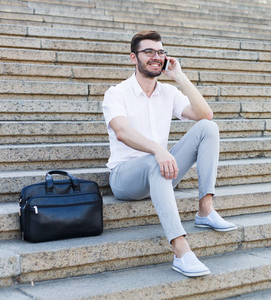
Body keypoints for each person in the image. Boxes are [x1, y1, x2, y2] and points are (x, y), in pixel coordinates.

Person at [102, 30, 237, 277]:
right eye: (149, 52)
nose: (156, 57)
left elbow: (205, 114)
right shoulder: (116, 93)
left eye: (161, 52)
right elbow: (122, 131)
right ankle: (181, 250)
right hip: (125, 178)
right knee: (156, 159)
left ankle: (205, 209)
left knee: (208, 127)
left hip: (162, 173)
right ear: (134, 58)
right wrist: (157, 150)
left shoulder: (168, 92)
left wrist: (179, 76)